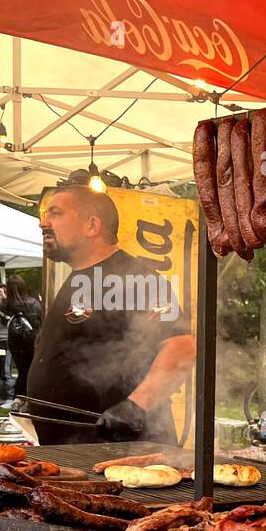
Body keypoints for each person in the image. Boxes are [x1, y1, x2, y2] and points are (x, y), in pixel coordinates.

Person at [28, 184, 194, 443]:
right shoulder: (80, 278)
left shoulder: (135, 278)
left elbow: (183, 348)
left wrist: (136, 407)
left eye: (56, 213)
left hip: (126, 451)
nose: (43, 223)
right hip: (77, 450)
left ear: (92, 226)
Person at [3, 275, 42, 400]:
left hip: (15, 342)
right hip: (32, 341)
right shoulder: (34, 303)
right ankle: (28, 397)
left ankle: (19, 397)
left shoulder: (6, 305)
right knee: (31, 370)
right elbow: (40, 320)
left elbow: (3, 321)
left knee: (22, 370)